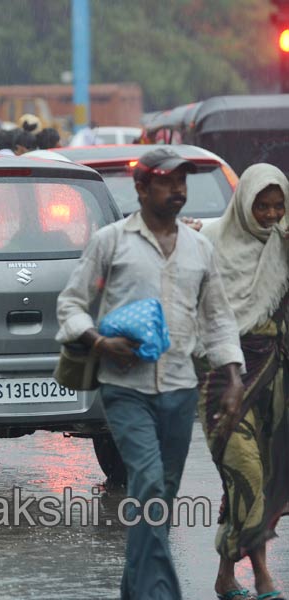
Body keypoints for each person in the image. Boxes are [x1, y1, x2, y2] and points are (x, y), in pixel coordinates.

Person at [56, 147, 245, 600]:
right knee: (149, 486)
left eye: (183, 181)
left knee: (159, 501)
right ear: (141, 188)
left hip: (181, 390)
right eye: (167, 181)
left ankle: (133, 592)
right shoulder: (112, 241)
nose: (178, 190)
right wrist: (99, 342)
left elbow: (217, 317)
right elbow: (70, 305)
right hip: (126, 390)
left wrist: (234, 375)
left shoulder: (200, 246)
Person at [196, 164, 289, 600]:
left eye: (278, 206)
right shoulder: (210, 239)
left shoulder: (285, 244)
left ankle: (225, 577)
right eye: (262, 205)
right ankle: (263, 576)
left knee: (255, 479)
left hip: (273, 375)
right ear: (245, 204)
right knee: (246, 471)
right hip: (220, 377)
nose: (270, 214)